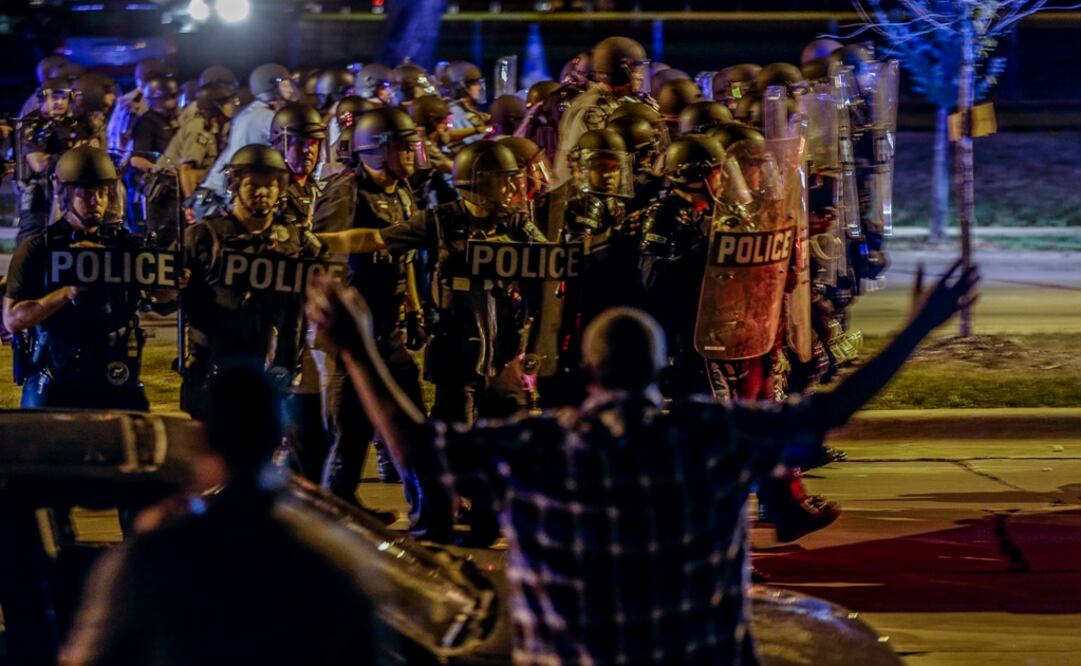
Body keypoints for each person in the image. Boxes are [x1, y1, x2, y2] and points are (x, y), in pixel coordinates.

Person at [306, 256, 979, 665]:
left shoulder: (539, 445)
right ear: (660, 368)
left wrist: (355, 346)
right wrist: (918, 326)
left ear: (588, 369)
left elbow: (416, 447)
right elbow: (828, 409)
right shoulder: (711, 435)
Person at [61, 366, 380, 666]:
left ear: (202, 439)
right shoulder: (332, 560)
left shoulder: (149, 559)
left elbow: (89, 655)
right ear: (282, 436)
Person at [309, 107, 427, 514]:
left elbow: (405, 257)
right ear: (374, 150)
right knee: (351, 429)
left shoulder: (401, 190)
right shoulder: (347, 190)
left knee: (411, 418)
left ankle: (426, 502)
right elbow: (320, 247)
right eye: (403, 147)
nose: (411, 155)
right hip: (351, 328)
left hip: (389, 324)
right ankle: (338, 507)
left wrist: (413, 307)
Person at [3, 147, 158, 410]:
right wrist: (68, 291)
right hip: (55, 375)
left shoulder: (127, 248)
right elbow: (13, 320)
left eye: (102, 193)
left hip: (114, 373)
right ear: (65, 194)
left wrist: (173, 286)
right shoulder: (39, 248)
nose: (96, 201)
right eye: (86, 194)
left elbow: (162, 300)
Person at [195, 63, 297, 211]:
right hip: (228, 195)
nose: (290, 89)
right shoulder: (267, 118)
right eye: (285, 85)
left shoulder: (252, 111)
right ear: (269, 87)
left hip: (218, 190)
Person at [15, 77, 81, 243]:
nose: (59, 102)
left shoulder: (71, 124)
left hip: (66, 190)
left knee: (64, 239)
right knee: (32, 238)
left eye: (63, 98)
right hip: (38, 192)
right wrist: (72, 153)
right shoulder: (32, 124)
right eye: (54, 97)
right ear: (43, 98)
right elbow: (39, 164)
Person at [125, 76, 180, 239]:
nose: (174, 100)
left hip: (172, 187)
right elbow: (136, 159)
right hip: (156, 191)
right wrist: (159, 169)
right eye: (169, 97)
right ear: (157, 99)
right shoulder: (146, 123)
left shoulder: (171, 121)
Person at [443, 60, 490, 151]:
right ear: (460, 86)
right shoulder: (454, 111)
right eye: (474, 84)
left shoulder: (468, 109)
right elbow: (472, 141)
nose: (479, 88)